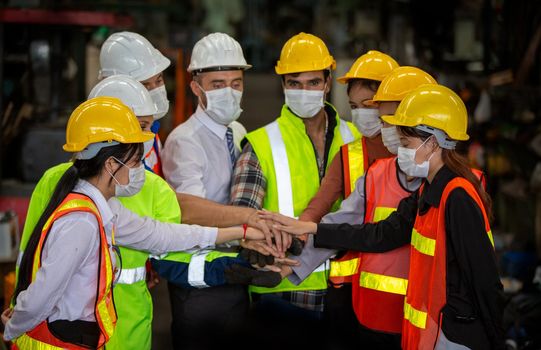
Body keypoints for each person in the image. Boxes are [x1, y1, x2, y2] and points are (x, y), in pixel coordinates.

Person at [1, 97, 266, 349]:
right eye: (137, 159)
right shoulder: (80, 222)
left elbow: (161, 235)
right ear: (111, 164)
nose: (142, 168)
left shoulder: (103, 207)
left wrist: (238, 231)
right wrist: (12, 327)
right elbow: (43, 294)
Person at [262, 84, 506, 349]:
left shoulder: (457, 196)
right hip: (435, 332)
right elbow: (379, 234)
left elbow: (485, 279)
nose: (401, 152)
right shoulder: (429, 191)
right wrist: (313, 228)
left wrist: (496, 341)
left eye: (406, 143)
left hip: (458, 334)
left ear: (432, 142)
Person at [229, 32, 360, 345]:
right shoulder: (261, 144)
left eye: (313, 82)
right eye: (295, 83)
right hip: (283, 294)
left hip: (347, 288)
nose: (304, 91)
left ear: (328, 82)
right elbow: (241, 219)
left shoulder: (355, 139)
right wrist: (250, 241)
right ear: (284, 85)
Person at [158, 32, 269, 349]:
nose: (229, 93)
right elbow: (191, 211)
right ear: (196, 87)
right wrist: (250, 222)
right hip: (199, 282)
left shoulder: (237, 130)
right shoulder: (185, 141)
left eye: (236, 84)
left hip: (234, 272)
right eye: (218, 85)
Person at [99, 31, 171, 176]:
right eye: (144, 85)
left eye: (158, 80)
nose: (155, 91)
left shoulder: (152, 132)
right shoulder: (108, 147)